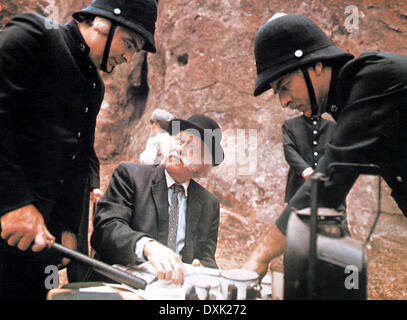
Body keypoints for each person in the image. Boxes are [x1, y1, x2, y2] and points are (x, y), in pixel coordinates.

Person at [0, 0, 157, 299]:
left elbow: (77, 162)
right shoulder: (36, 35)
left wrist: (70, 233)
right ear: (101, 23)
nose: (127, 56)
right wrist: (12, 203)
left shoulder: (93, 86)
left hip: (37, 243)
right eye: (129, 43)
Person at [244, 13, 407, 278]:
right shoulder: (351, 99)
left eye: (284, 87)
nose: (284, 102)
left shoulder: (374, 78)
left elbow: (329, 179)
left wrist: (258, 258)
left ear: (316, 66)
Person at [91, 114, 224, 285]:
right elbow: (106, 229)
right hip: (124, 285)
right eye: (178, 140)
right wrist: (147, 246)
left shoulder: (209, 204)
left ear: (202, 164)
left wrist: (201, 268)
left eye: (190, 146)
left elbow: (207, 259)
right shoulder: (130, 176)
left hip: (174, 293)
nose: (180, 148)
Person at [282, 113, 336, 203]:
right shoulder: (290, 125)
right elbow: (289, 150)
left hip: (325, 184)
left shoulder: (332, 127)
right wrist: (305, 170)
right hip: (298, 184)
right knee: (295, 215)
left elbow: (334, 153)